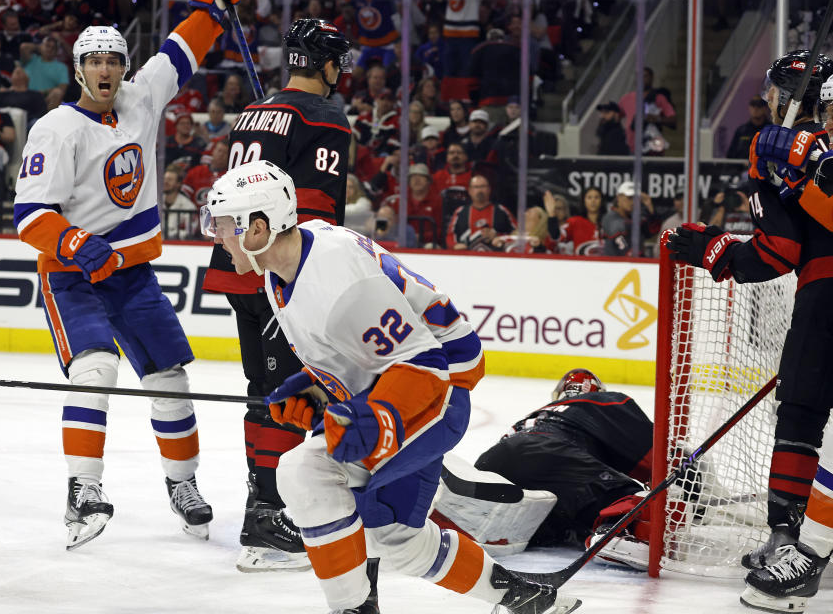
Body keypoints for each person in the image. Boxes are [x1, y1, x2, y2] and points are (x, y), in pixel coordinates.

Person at [200, 159, 580, 614]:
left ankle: (359, 607)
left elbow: (427, 363)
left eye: (222, 224)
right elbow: (357, 354)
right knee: (383, 529)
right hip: (396, 385)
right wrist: (315, 390)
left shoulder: (337, 281)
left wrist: (380, 417)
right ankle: (520, 598)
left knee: (319, 482)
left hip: (435, 395)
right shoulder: (283, 265)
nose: (216, 236)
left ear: (258, 227)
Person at [10, 0, 244, 550]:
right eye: (96, 61)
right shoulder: (56, 129)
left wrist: (211, 5)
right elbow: (28, 215)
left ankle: (183, 485)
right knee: (96, 369)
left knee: (172, 379)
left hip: (132, 274)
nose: (107, 69)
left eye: (115, 59)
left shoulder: (140, 98)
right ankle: (82, 490)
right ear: (79, 68)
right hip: (73, 276)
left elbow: (180, 52)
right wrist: (71, 243)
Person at [665, 49, 833, 614]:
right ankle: (792, 543)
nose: (768, 106)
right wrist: (714, 247)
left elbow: (777, 252)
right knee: (802, 410)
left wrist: (805, 165)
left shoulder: (789, 151)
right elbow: (778, 250)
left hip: (827, 295)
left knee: (803, 413)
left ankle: (792, 543)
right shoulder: (781, 154)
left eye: (776, 95)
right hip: (820, 290)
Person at [201, 17, 353, 573]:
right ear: (327, 64)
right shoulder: (325, 115)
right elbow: (313, 209)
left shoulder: (254, 111)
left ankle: (264, 505)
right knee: (289, 390)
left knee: (263, 387)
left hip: (233, 263)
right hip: (272, 269)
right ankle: (271, 516)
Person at [433, 369, 653, 558]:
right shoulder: (602, 402)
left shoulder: (537, 415)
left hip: (492, 462)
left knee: (560, 527)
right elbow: (653, 454)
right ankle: (621, 531)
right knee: (635, 497)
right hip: (551, 457)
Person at [446, 174, 514, 251]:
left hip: (495, 257)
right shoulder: (460, 212)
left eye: (483, 186)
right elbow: (450, 236)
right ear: (469, 191)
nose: (480, 190)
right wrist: (454, 245)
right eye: (476, 187)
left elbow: (516, 234)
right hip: (466, 257)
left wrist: (499, 237)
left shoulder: (501, 211)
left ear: (489, 189)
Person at [601, 181, 661, 256]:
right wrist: (641, 220)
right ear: (619, 198)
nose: (633, 202)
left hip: (634, 264)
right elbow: (624, 228)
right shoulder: (609, 218)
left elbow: (653, 231)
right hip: (614, 264)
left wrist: (649, 205)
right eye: (629, 198)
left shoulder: (634, 218)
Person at [546, 187, 605, 255]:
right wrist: (552, 216)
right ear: (583, 201)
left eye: (596, 197)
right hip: (581, 264)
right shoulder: (575, 222)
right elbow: (556, 237)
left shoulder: (609, 222)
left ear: (602, 201)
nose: (593, 201)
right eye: (589, 197)